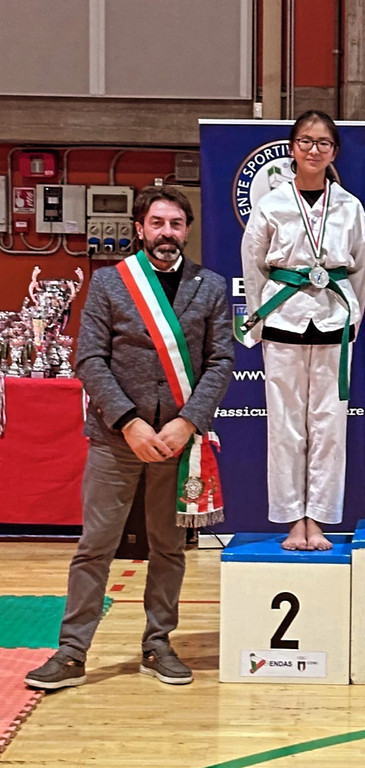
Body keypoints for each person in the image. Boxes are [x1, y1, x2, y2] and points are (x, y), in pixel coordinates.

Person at [25, 185, 234, 689]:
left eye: (176, 224)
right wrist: (128, 422)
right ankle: (72, 653)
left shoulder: (210, 286)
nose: (167, 233)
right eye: (157, 223)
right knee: (95, 546)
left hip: (176, 439)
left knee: (169, 548)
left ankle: (158, 644)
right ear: (140, 229)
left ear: (187, 230)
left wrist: (187, 422)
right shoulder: (110, 283)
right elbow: (89, 359)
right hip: (117, 438)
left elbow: (221, 361)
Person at [241, 110, 365, 551]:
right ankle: (293, 520)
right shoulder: (272, 204)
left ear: (334, 151)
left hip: (334, 321)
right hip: (283, 319)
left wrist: (353, 318)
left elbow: (360, 268)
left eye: (323, 143)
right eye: (306, 141)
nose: (314, 150)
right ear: (292, 148)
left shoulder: (349, 206)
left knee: (329, 428)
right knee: (286, 426)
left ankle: (319, 519)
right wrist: (260, 317)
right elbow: (253, 266)